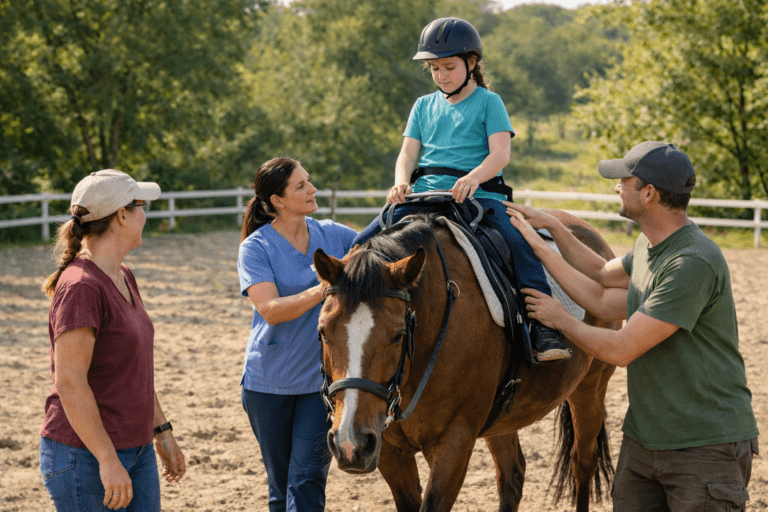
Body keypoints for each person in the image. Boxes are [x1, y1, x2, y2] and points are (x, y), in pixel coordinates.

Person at [506, 141, 759, 511]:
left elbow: (621, 348)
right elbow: (599, 280)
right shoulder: (649, 245)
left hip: (704, 448)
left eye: (623, 180)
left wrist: (560, 318)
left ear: (649, 193)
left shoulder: (691, 262)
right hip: (644, 442)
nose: (616, 187)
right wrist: (551, 233)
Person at [351, 17, 569, 362]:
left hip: (479, 196)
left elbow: (500, 153)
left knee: (520, 244)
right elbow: (408, 153)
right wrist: (401, 181)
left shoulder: (488, 102)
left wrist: (474, 178)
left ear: (471, 63)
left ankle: (545, 328)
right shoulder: (423, 106)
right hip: (424, 196)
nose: (441, 75)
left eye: (449, 67)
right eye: (434, 68)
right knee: (360, 244)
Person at [39, 169, 186, 511]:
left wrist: (161, 429)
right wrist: (107, 460)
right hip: (86, 455)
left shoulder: (122, 275)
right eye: (141, 206)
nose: (146, 215)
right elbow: (70, 383)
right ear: (122, 215)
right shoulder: (81, 286)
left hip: (136, 449)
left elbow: (131, 368)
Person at [237, 157, 357, 512]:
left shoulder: (333, 234)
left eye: (310, 181)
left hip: (318, 386)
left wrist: (397, 205)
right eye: (301, 186)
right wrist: (325, 286)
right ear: (278, 200)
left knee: (306, 481)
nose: (312, 189)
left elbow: (377, 241)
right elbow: (271, 311)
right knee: (280, 486)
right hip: (266, 383)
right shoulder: (255, 248)